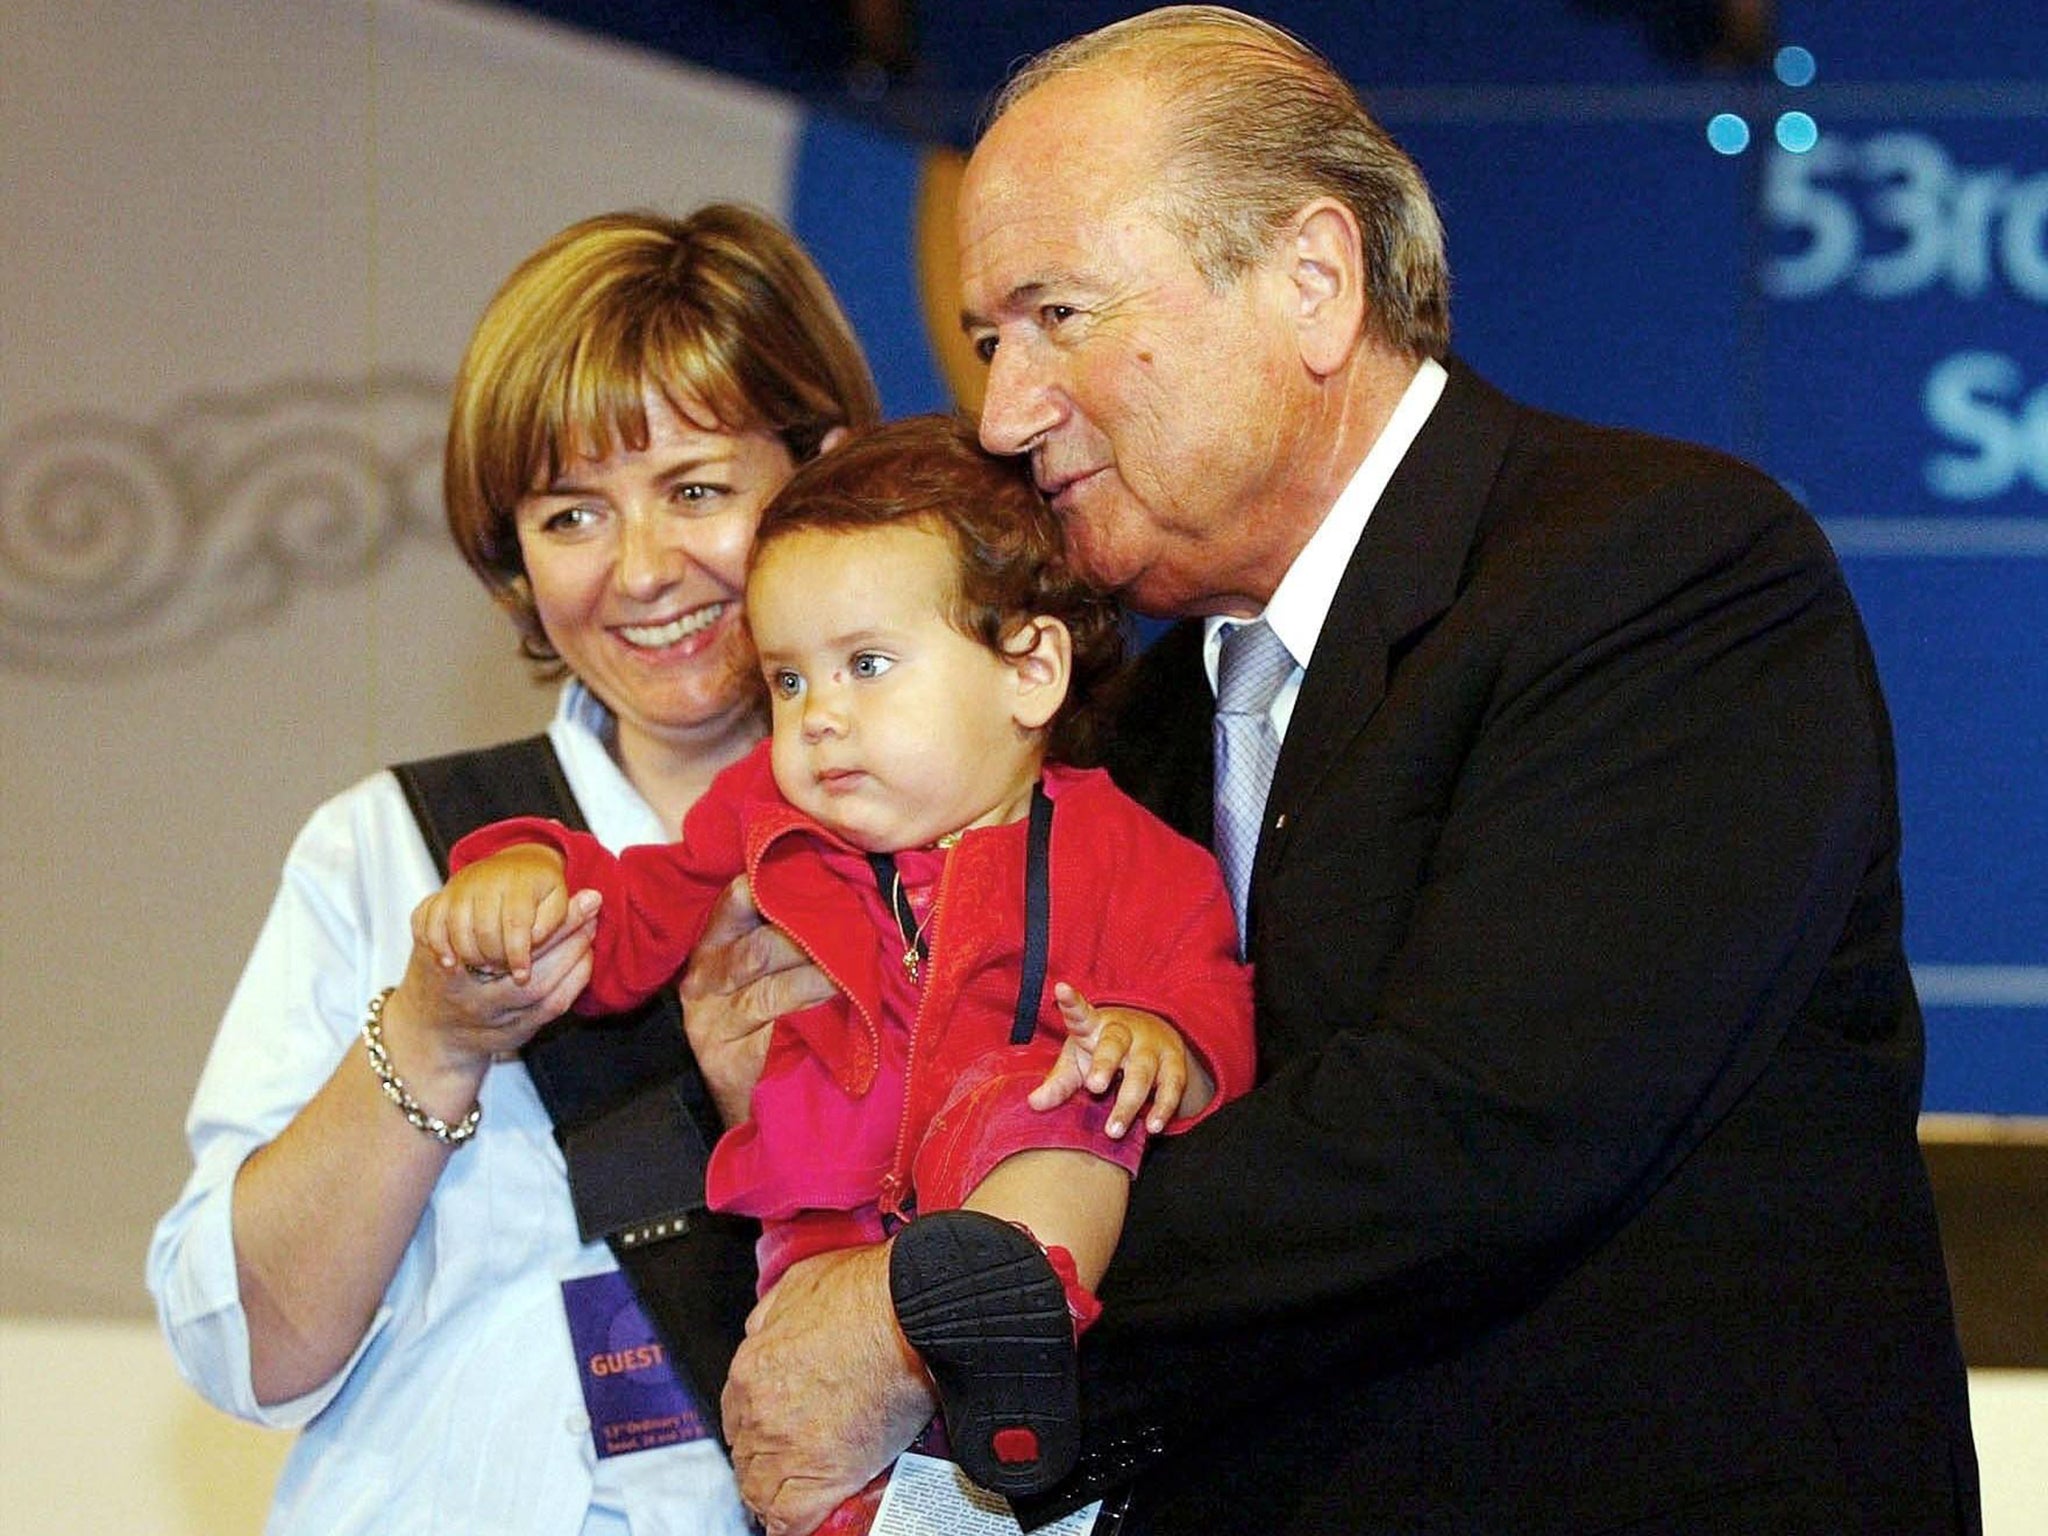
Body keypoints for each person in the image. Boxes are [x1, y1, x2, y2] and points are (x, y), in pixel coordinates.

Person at [701, 9, 1985, 1536]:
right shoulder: (1137, 729)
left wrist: (950, 1309)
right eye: (991, 343)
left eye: (1057, 315)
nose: (1004, 411)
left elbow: (1470, 1139)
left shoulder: (1663, 573)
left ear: (1311, 281)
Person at [146, 204, 879, 1536]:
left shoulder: (957, 831)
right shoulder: (388, 849)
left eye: (699, 489)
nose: (644, 570)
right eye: (572, 513)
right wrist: (429, 1037)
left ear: (820, 471)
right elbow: (245, 1353)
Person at [417, 412, 1256, 1512]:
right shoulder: (763, 821)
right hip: (824, 1236)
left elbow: (1213, 1006)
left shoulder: (1130, 855)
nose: (817, 720)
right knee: (818, 1478)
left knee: (1063, 1096)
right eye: (788, 682)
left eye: (864, 665)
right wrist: (526, 872)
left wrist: (1164, 1047)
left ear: (1029, 671)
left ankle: (1005, 1327)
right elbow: (631, 916)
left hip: (1018, 1212)